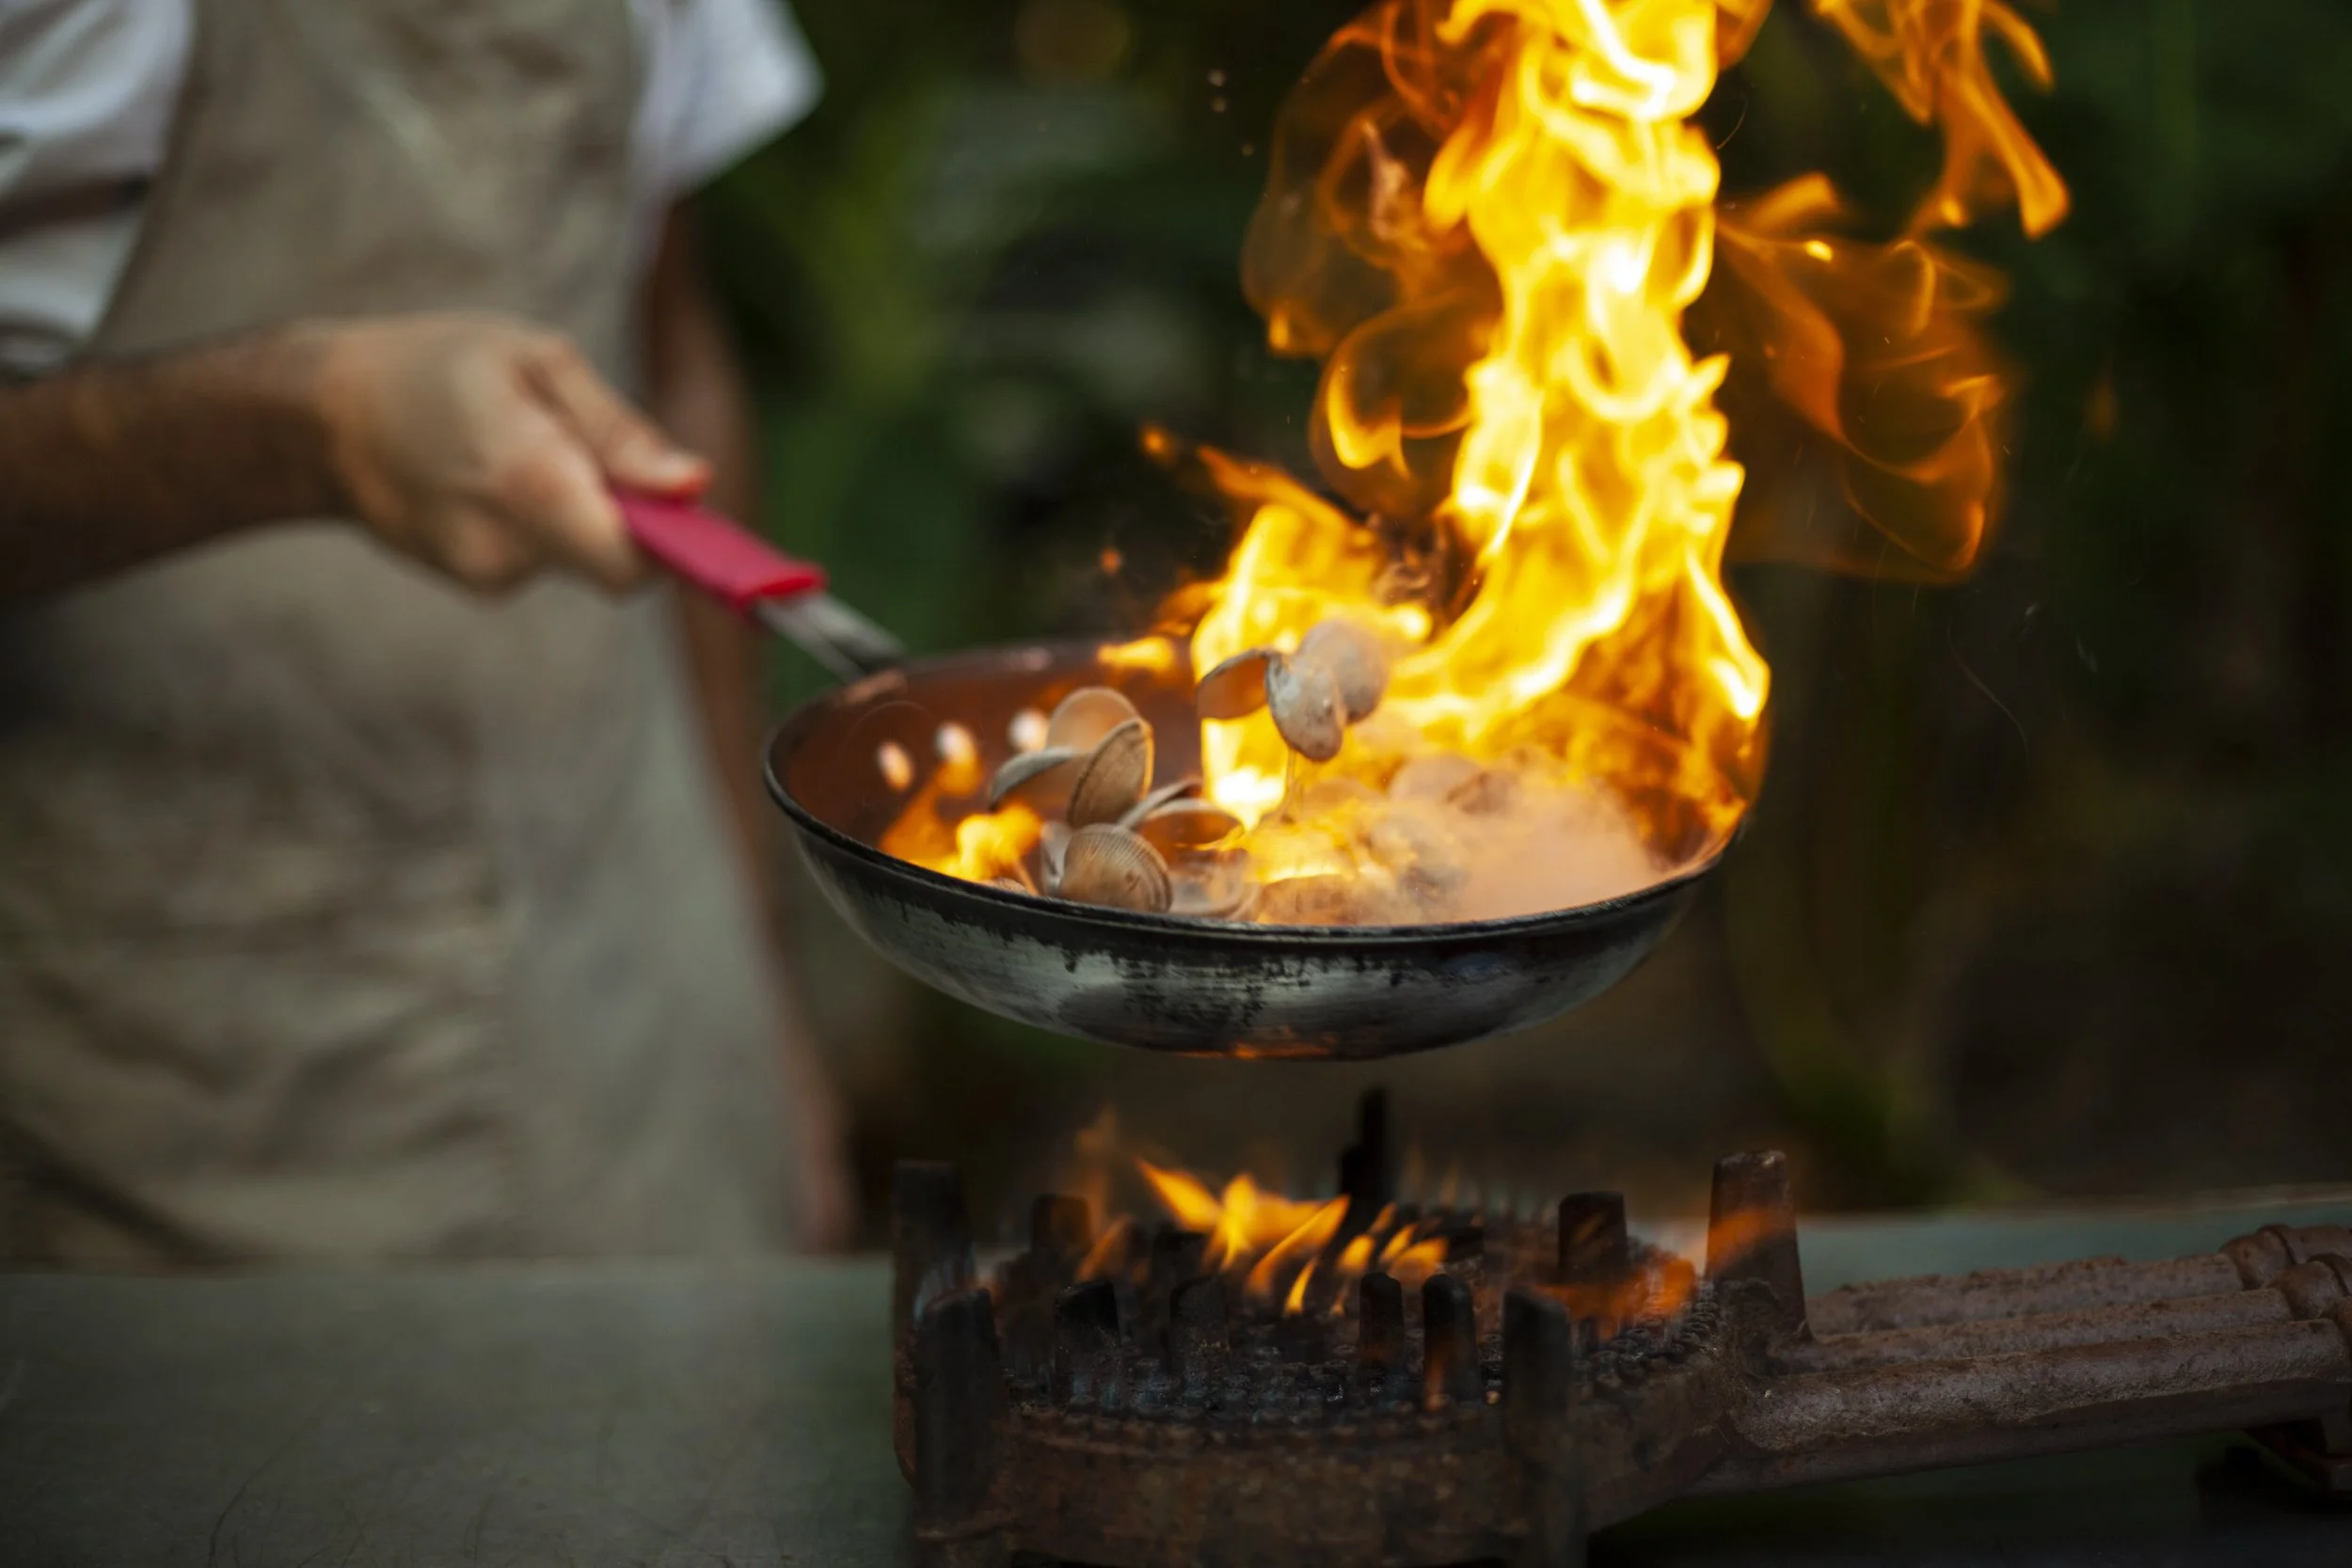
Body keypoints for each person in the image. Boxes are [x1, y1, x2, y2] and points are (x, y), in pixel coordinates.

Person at [0, 0, 852, 1262]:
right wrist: (312, 426)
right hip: (212, 1095)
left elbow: (674, 350)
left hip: (647, 1012)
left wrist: (755, 984)